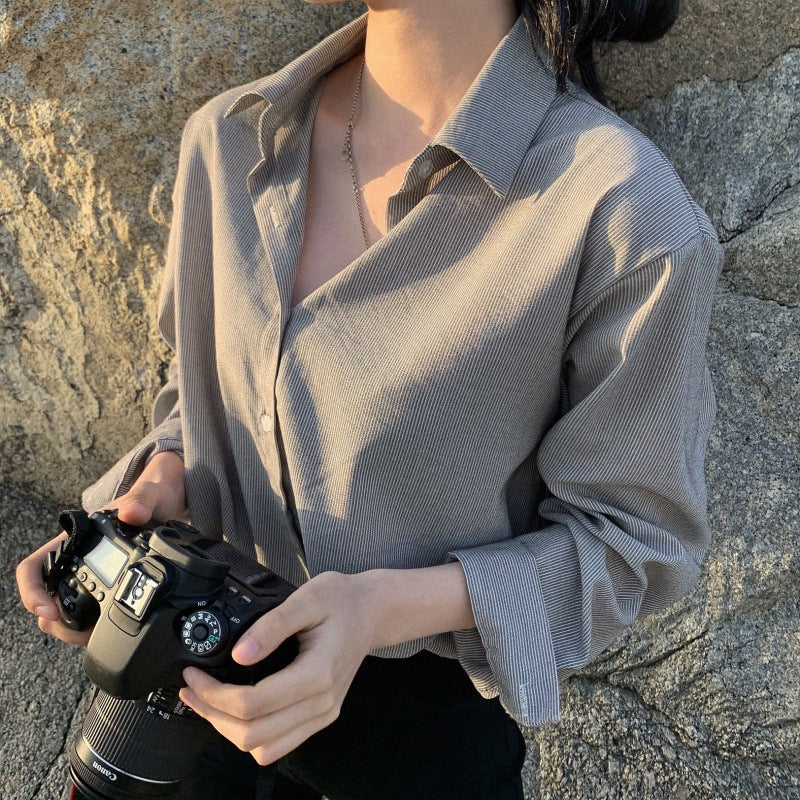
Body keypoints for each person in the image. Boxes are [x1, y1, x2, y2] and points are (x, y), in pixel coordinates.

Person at [16, 0, 725, 798]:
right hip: (179, 695)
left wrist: (377, 608)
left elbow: (633, 545)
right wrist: (152, 492)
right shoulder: (228, 139)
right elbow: (207, 394)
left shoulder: (620, 210)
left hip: (409, 749)